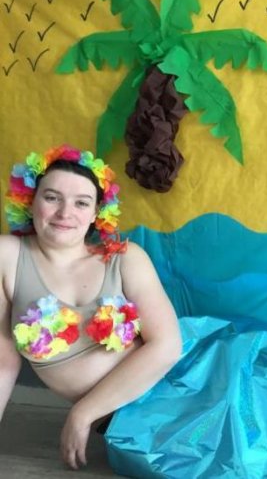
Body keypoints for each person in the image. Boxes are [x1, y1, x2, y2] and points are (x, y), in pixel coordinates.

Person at [0, 145, 182, 470]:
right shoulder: (7, 256)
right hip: (132, 429)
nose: (65, 213)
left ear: (97, 211)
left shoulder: (126, 258)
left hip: (186, 382)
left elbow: (167, 346)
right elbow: (2, 363)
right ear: (31, 201)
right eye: (52, 197)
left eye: (81, 202)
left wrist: (83, 413)